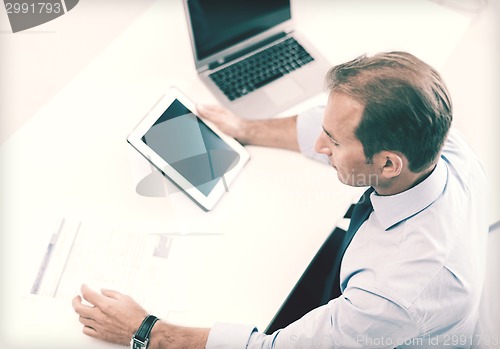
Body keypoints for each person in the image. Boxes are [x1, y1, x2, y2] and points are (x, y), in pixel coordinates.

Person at [72, 52, 490, 348]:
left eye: (334, 141)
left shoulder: (393, 294)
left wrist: (146, 332)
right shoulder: (435, 138)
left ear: (387, 164)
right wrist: (243, 128)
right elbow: (324, 124)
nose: (317, 144)